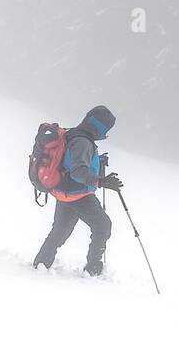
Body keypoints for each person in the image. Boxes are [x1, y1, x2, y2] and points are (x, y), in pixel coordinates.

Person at [33, 105, 124, 275]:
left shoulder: (73, 133)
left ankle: (41, 263)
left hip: (62, 192)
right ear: (101, 128)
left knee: (59, 232)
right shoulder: (83, 142)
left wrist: (96, 160)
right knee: (103, 226)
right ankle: (93, 269)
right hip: (79, 196)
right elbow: (78, 172)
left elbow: (70, 161)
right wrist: (101, 181)